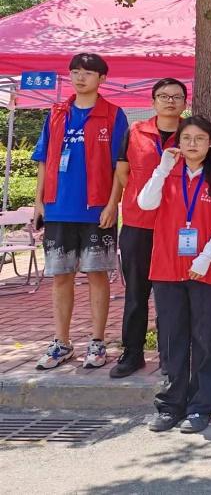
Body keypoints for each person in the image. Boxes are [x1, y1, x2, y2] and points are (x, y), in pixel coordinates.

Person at [32, 53, 129, 371]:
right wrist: (39, 202)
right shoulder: (56, 113)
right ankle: (61, 342)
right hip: (58, 208)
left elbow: (120, 166)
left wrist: (113, 204)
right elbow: (43, 159)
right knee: (61, 277)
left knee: (97, 275)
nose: (80, 78)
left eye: (87, 73)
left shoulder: (113, 115)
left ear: (102, 78)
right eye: (75, 72)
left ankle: (97, 342)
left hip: (96, 210)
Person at [140, 116, 211, 434]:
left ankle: (200, 406)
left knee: (207, 338)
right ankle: (170, 405)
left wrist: (205, 259)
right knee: (171, 337)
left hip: (207, 269)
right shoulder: (167, 173)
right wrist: (162, 168)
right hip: (167, 267)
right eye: (187, 138)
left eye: (200, 138)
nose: (193, 144)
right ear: (178, 142)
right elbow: (145, 203)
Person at [109, 78, 186, 378]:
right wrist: (142, 197)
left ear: (185, 102)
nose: (170, 101)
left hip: (177, 226)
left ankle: (169, 354)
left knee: (173, 295)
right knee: (136, 293)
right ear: (153, 101)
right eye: (163, 96)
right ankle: (133, 353)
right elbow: (122, 171)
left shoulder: (191, 133)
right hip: (138, 223)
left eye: (176, 96)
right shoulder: (135, 131)